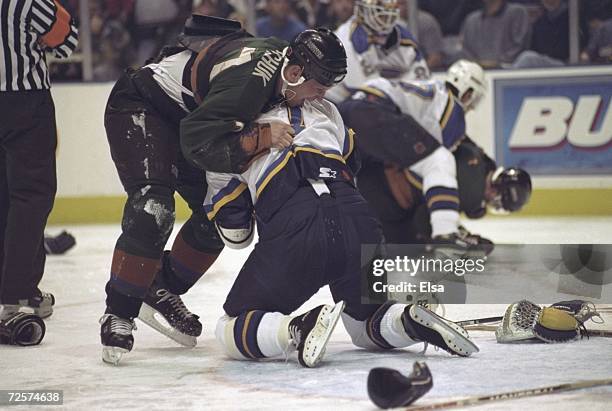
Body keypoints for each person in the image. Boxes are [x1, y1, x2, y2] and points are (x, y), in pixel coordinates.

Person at [205, 30, 478, 367]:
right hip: (357, 218)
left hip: (297, 223)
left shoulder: (228, 133)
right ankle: (406, 320)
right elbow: (352, 159)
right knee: (367, 324)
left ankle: (294, 329)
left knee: (230, 325)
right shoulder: (329, 112)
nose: (323, 90)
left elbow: (236, 232)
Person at [98, 19, 355, 365]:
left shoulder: (281, 72)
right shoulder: (250, 83)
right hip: (145, 105)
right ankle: (119, 310)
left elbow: (206, 127)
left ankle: (160, 286)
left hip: (192, 119)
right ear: (294, 72)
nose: (322, 93)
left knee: (214, 218)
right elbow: (196, 140)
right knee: (153, 207)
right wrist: (259, 137)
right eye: (320, 84)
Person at [339, 60, 489, 257]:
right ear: (468, 92)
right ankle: (446, 232)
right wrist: (444, 213)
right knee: (440, 160)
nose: (472, 106)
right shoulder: (453, 108)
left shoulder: (433, 92)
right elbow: (430, 168)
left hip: (348, 110)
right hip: (372, 111)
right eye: (474, 100)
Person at [0, 0, 78, 346]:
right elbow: (67, 40)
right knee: (31, 196)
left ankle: (16, 289)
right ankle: (17, 293)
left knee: (5, 197)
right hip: (24, 102)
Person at [327, 0, 430, 103]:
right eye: (378, 10)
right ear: (362, 10)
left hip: (388, 101)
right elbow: (367, 92)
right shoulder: (345, 39)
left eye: (388, 10)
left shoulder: (406, 40)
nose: (384, 17)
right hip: (342, 103)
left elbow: (422, 86)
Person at [460, 0, 530, 68]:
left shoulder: (517, 13)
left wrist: (496, 63)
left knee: (529, 57)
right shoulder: (471, 20)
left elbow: (519, 46)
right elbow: (466, 50)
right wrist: (477, 63)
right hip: (475, 72)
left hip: (510, 72)